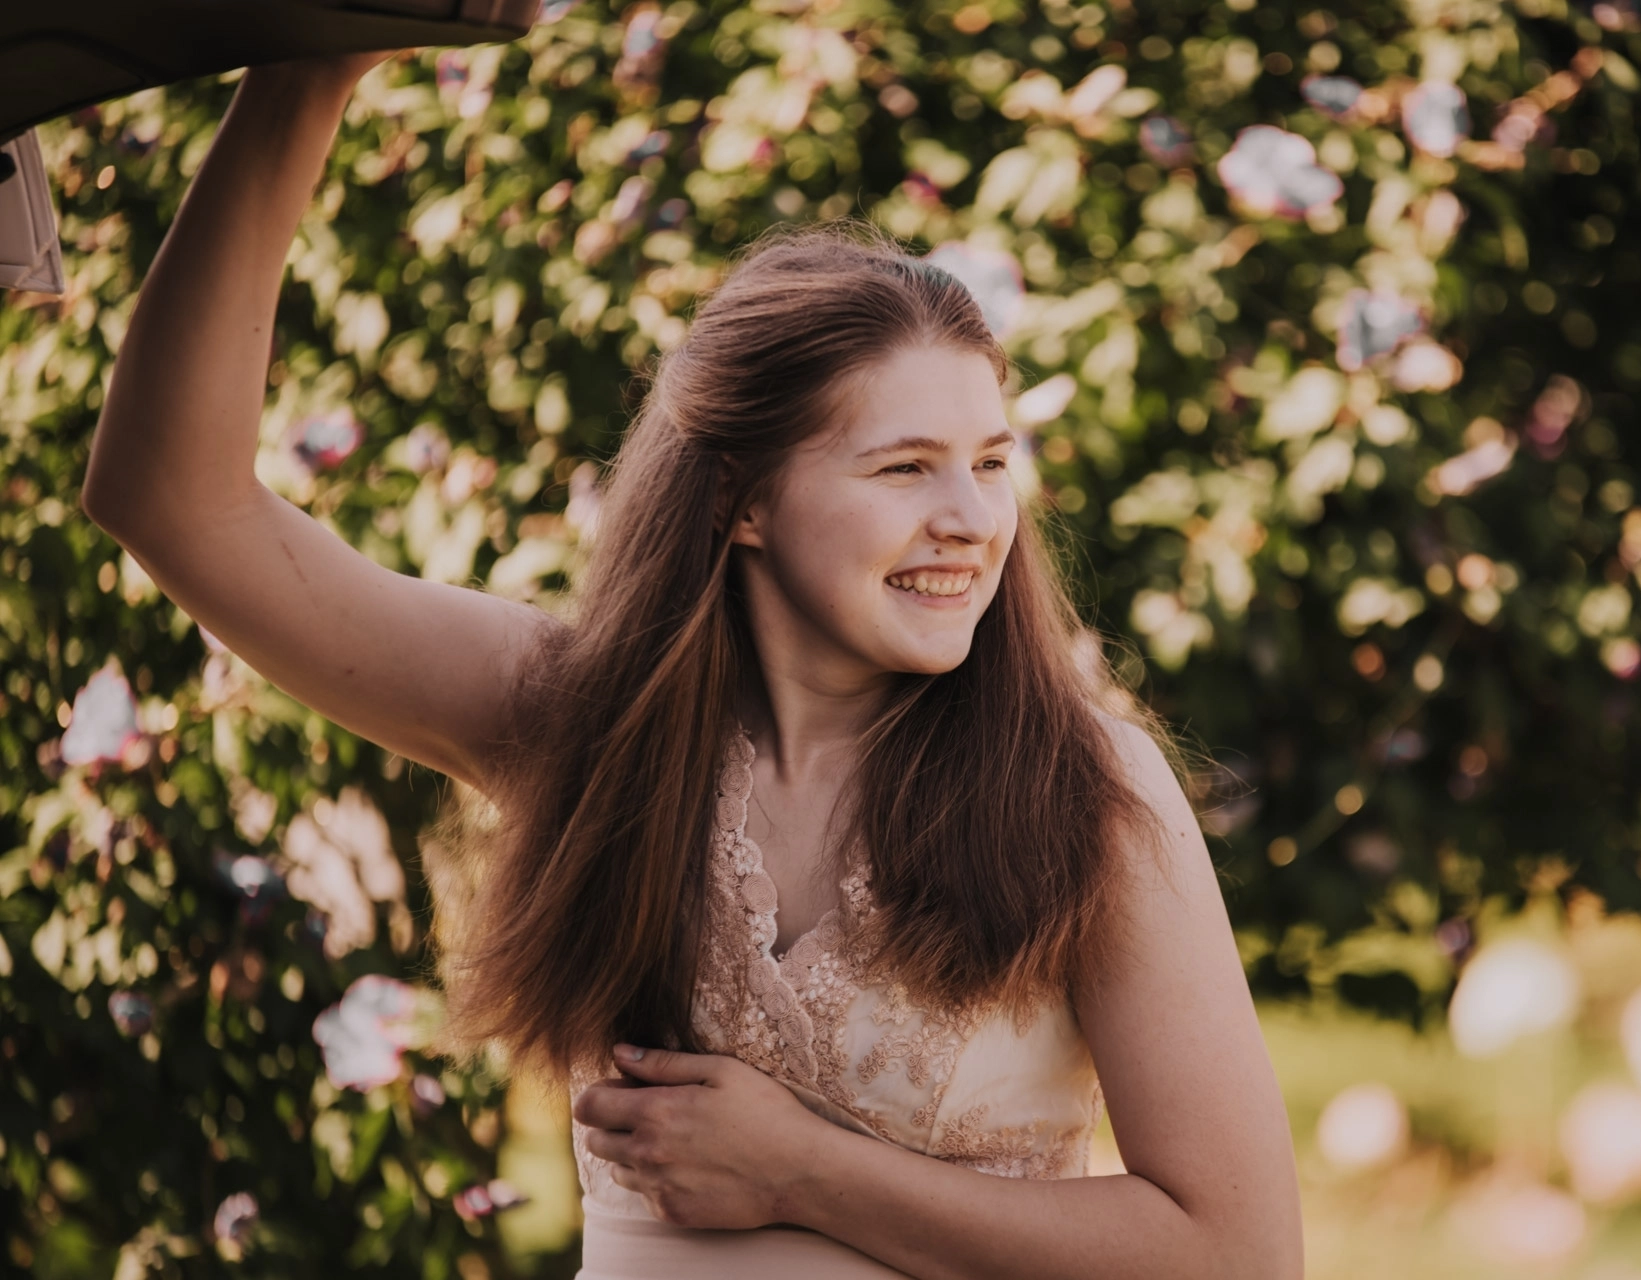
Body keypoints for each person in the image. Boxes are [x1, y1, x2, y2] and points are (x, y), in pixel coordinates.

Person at [80, 50, 1304, 1280]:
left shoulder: (1082, 789)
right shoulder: (578, 723)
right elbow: (174, 501)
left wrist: (805, 1169)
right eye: (904, 466)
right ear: (740, 499)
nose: (974, 519)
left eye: (990, 461)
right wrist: (307, 73)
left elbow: (1241, 1251)